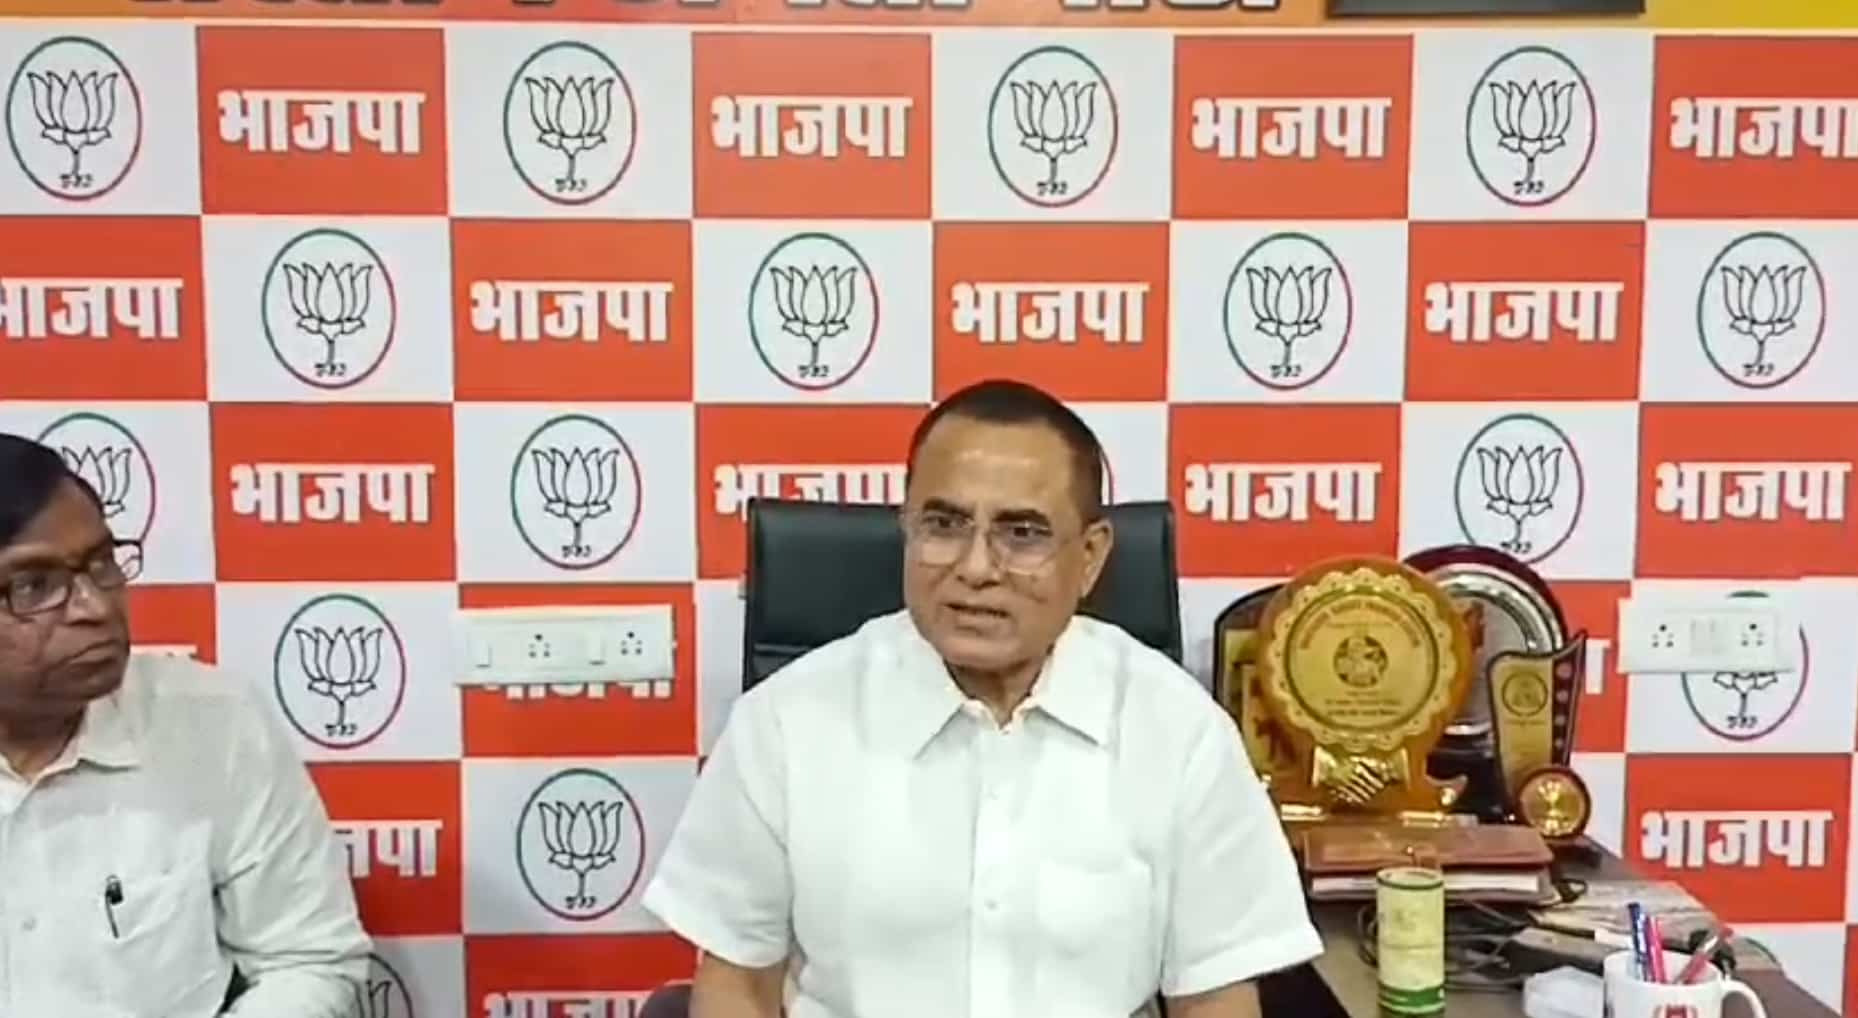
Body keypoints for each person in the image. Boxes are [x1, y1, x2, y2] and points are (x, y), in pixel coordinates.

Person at [643, 379, 1321, 1018]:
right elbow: (739, 983)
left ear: (1090, 557)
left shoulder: (1179, 732)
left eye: (1021, 534)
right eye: (943, 524)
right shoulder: (787, 723)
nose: (974, 568)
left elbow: (1216, 997)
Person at [0, 433, 371, 1017]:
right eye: (33, 586)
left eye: (101, 564)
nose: (95, 608)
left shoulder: (213, 721)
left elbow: (308, 959)